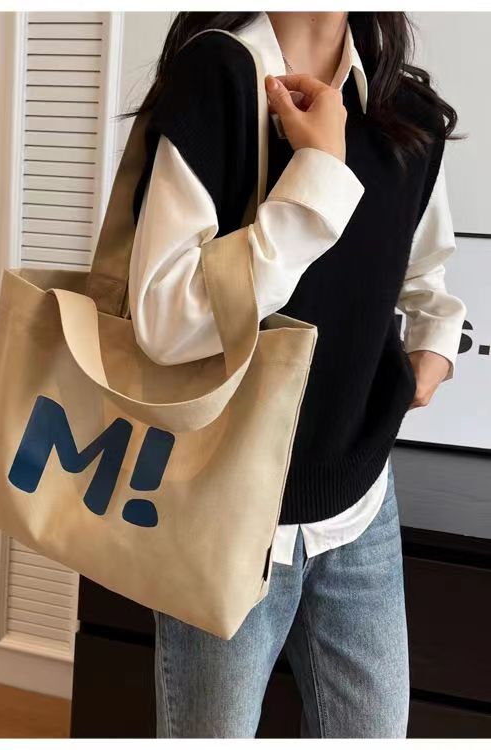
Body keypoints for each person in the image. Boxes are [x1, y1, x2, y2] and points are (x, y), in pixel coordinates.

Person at [126, 11, 467, 739]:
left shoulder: (407, 111)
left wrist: (434, 346)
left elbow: (422, 266)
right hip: (222, 512)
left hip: (360, 499)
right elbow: (163, 321)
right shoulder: (218, 78)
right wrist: (317, 177)